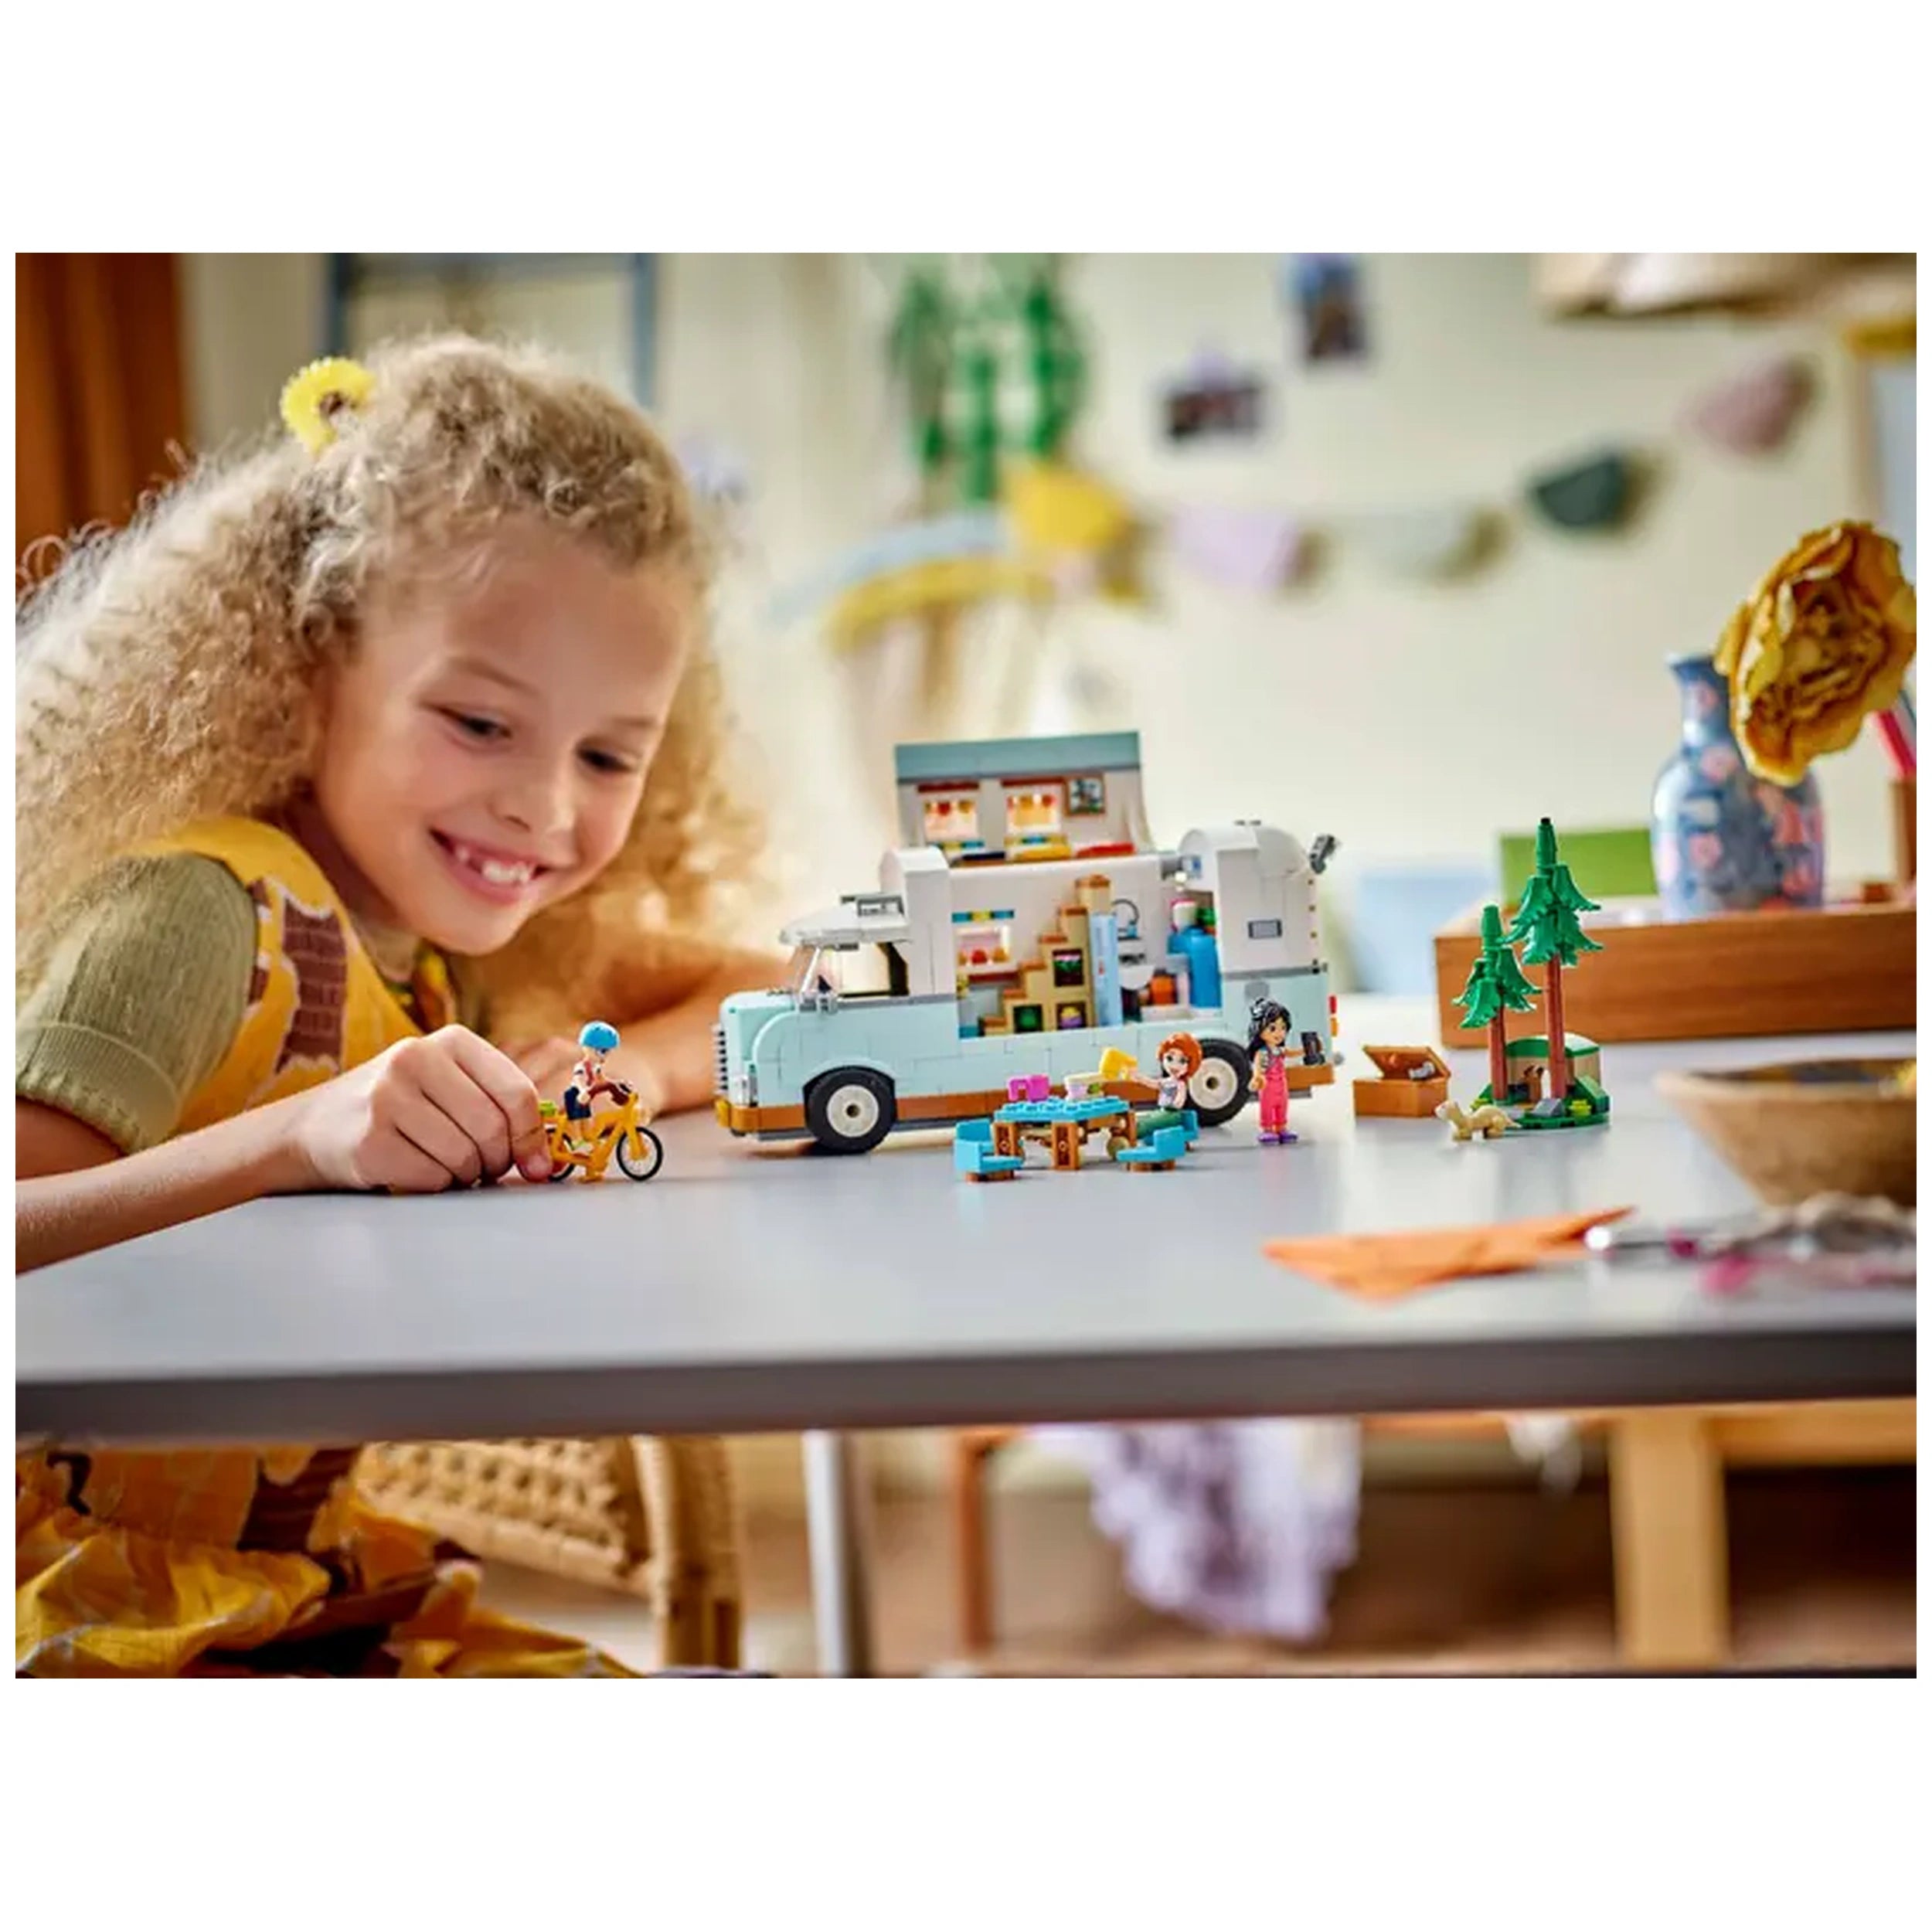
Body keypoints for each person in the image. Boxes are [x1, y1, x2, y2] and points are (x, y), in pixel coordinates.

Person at [15, 338, 780, 1676]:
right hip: (82, 1619)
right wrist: (296, 1141)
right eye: (480, 724)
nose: (543, 809)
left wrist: (625, 1075)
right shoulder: (196, 916)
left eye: (608, 754)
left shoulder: (436, 945)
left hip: (297, 1599)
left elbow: (777, 991)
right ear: (308, 668)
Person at [1247, 998, 1302, 1146]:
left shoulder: (1279, 1049)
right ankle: (1267, 1129)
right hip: (1268, 1085)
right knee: (1267, 1106)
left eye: (1283, 1028)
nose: (1279, 1033)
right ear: (1259, 1029)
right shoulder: (1262, 1052)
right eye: (1272, 1028)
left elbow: (1290, 1053)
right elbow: (1258, 1068)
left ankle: (1281, 1127)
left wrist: (1305, 1050)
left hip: (1281, 1084)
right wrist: (1257, 1078)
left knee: (1282, 1105)